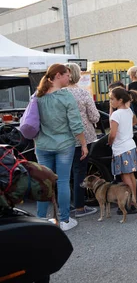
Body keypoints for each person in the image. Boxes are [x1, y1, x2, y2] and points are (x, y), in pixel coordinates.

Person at [35, 64, 87, 231]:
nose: (69, 79)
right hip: (64, 144)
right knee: (63, 181)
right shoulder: (66, 96)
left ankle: (40, 220)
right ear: (58, 75)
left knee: (43, 183)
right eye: (67, 75)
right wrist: (84, 144)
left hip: (42, 145)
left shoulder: (38, 95)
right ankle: (64, 220)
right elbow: (76, 125)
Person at [64, 62, 100, 219]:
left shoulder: (57, 94)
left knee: (64, 172)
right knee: (80, 171)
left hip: (63, 138)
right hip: (83, 137)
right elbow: (94, 116)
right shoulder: (83, 94)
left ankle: (65, 206)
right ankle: (79, 206)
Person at [108, 87, 137, 211]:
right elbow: (135, 121)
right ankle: (134, 200)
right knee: (131, 175)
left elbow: (112, 134)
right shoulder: (128, 111)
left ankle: (129, 203)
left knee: (125, 177)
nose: (110, 101)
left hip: (120, 148)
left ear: (120, 100)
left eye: (112, 99)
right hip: (131, 145)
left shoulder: (116, 115)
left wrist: (110, 142)